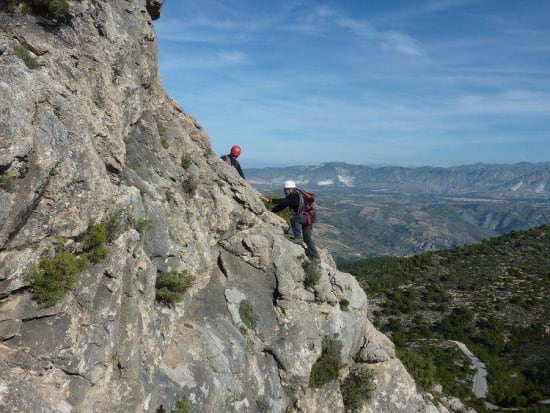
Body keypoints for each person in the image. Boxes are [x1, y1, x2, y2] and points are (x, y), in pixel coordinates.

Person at [267, 180, 320, 260]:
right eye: (285, 190)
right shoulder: (295, 196)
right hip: (309, 218)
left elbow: (284, 201)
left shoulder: (295, 196)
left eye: (287, 190)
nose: (285, 191)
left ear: (292, 189)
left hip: (306, 217)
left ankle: (298, 238)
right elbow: (283, 205)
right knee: (307, 238)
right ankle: (316, 257)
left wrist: (271, 200)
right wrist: (272, 210)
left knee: (294, 219)